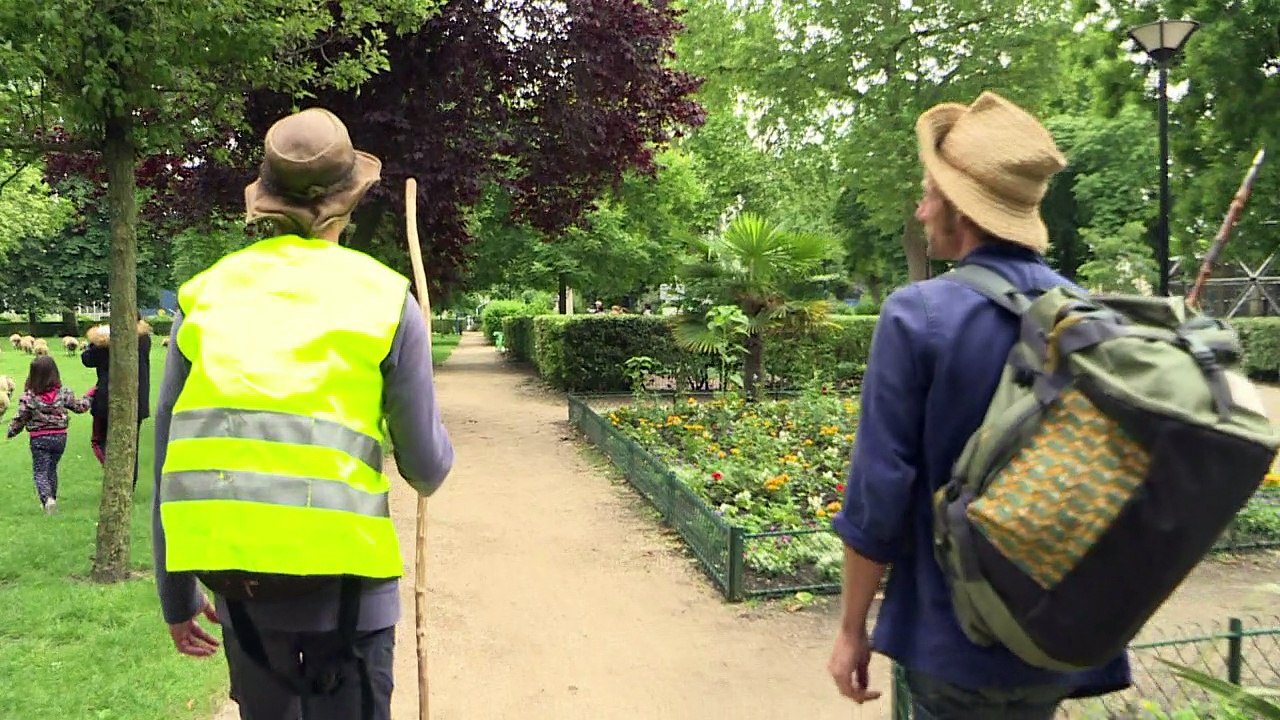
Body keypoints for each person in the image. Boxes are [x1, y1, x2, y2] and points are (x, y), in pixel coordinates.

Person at [826, 91, 1131, 718]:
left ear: (959, 209)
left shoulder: (917, 315)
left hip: (952, 637)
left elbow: (878, 491)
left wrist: (852, 629)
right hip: (1059, 633)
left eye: (929, 192)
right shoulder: (1092, 318)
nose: (921, 206)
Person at [152, 107, 455, 720]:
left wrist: (175, 597)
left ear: (267, 199)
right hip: (351, 594)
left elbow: (168, 457)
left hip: (240, 590)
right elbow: (426, 469)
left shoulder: (203, 296)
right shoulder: (386, 300)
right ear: (349, 201)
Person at [6, 355, 91, 514]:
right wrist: (89, 397)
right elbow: (80, 407)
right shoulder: (64, 393)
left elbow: (21, 418)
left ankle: (47, 499)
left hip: (39, 438)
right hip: (60, 437)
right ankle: (52, 499)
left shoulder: (29, 397)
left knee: (40, 470)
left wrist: (11, 431)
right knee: (51, 468)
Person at [81, 314, 152, 488]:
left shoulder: (108, 342)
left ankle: (115, 476)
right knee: (130, 443)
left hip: (108, 399)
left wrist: (96, 340)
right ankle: (129, 482)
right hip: (138, 399)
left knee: (103, 440)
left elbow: (87, 359)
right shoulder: (143, 339)